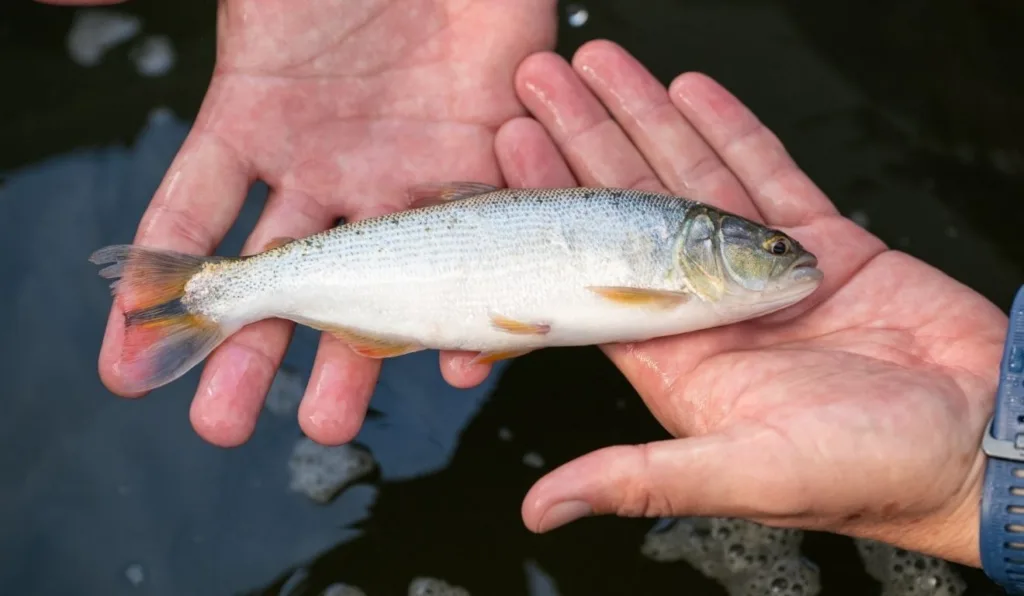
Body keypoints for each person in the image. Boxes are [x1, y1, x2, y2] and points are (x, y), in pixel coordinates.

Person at [42, 0, 1008, 577]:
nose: (791, 260)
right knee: (270, 298)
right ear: (713, 248)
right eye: (764, 248)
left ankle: (218, 294)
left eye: (767, 247)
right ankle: (220, 294)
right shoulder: (680, 262)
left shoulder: (697, 266)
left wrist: (989, 476)